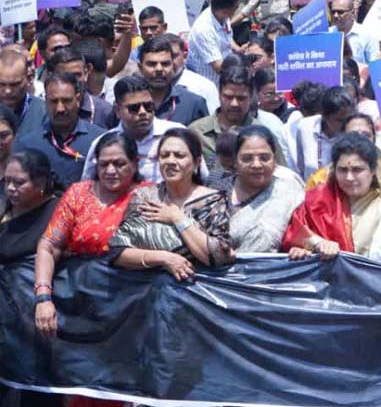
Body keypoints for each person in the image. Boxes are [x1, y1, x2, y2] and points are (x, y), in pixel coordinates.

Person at [33, 132, 146, 338]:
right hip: (74, 295)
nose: (110, 171)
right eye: (103, 164)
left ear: (135, 163)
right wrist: (43, 298)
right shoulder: (79, 193)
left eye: (119, 164)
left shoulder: (149, 196)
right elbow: (49, 246)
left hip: (128, 302)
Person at [109, 128, 234, 276]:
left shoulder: (212, 201)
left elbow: (218, 257)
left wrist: (178, 218)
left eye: (179, 156)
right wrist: (164, 258)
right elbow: (117, 252)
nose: (170, 161)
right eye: (164, 155)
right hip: (144, 284)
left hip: (195, 285)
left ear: (197, 163)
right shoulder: (145, 197)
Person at [283, 133, 381, 258]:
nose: (349, 177)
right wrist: (316, 244)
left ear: (373, 170)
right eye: (343, 170)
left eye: (357, 170)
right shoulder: (317, 200)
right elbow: (294, 235)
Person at [215, 126, 304, 253]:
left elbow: (305, 234)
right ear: (235, 161)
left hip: (271, 265)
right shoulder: (217, 186)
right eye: (247, 159)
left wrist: (302, 248)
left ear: (274, 160)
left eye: (264, 158)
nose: (256, 165)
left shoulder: (289, 190)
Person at [81, 77, 185, 183]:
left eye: (148, 106)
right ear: (117, 110)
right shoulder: (103, 143)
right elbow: (88, 185)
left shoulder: (176, 135)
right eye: (134, 108)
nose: (143, 112)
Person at [12, 73, 107, 188]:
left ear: (78, 99)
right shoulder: (28, 144)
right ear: (45, 101)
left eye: (66, 101)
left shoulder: (100, 140)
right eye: (53, 101)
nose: (60, 109)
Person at [190, 66, 286, 166]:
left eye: (241, 98)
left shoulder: (264, 134)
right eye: (228, 97)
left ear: (251, 97)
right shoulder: (197, 133)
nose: (234, 104)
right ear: (219, 95)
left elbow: (281, 171)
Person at [135, 36, 210, 124]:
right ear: (140, 68)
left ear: (173, 66)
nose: (159, 69)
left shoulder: (194, 104)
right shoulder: (128, 103)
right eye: (152, 64)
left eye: (165, 64)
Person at [0, 150, 59, 261]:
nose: (10, 188)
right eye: (7, 181)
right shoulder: (3, 206)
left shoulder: (58, 213)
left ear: (41, 183)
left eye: (19, 182)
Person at [294, 86, 356, 179]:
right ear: (325, 116)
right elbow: (301, 168)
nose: (346, 123)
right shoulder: (305, 128)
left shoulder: (355, 132)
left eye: (349, 118)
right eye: (340, 120)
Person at [187, 0, 240, 86]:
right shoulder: (204, 29)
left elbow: (226, 35)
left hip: (222, 77)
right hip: (208, 82)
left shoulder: (222, 16)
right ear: (224, 11)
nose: (236, 11)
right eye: (235, 9)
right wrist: (241, 68)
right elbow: (218, 67)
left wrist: (238, 49)